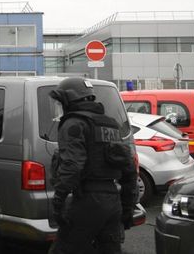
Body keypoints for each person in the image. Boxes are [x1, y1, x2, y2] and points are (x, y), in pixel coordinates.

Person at [48, 77, 138, 254]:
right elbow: (129, 169)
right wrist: (127, 207)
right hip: (113, 202)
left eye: (60, 102)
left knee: (63, 249)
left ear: (69, 100)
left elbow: (72, 166)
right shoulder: (110, 124)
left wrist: (58, 203)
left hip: (87, 202)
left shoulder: (73, 124)